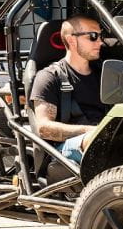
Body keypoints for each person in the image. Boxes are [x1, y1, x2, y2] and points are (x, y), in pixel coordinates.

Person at [29, 15, 109, 163]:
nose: (100, 42)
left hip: (107, 141)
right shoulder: (49, 76)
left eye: (101, 36)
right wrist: (94, 132)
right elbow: (44, 128)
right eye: (93, 36)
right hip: (64, 150)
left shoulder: (105, 74)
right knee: (97, 143)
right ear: (71, 39)